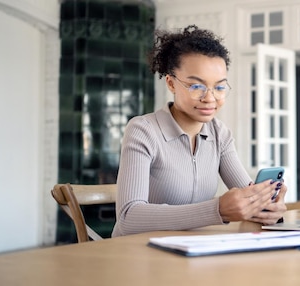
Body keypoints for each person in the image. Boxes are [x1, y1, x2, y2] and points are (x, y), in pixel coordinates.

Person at [112, 25, 287, 237]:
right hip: (141, 256)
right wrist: (217, 210)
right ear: (171, 83)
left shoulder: (220, 134)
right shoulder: (143, 131)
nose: (210, 98)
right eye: (196, 86)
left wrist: (267, 208)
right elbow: (129, 218)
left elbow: (248, 199)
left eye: (220, 87)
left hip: (195, 253)